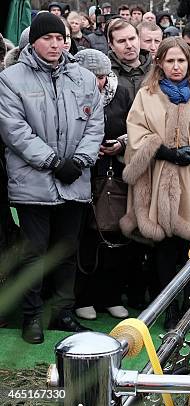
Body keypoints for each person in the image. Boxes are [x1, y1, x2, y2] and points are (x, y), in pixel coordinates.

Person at [0, 13, 104, 343]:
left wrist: (81, 159)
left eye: (60, 38)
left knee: (67, 250)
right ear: (34, 42)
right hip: (33, 181)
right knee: (33, 252)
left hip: (74, 178)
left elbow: (94, 122)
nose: (55, 44)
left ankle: (62, 312)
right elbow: (14, 129)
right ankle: (31, 316)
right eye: (48, 38)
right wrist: (52, 161)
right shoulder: (12, 79)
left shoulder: (84, 78)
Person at [120, 37, 190, 329]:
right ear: (159, 62)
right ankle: (168, 309)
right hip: (160, 179)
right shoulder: (146, 95)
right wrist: (165, 151)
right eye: (169, 60)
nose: (175, 66)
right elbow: (136, 135)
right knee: (166, 250)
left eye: (181, 60)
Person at [73, 49, 132, 321]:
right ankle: (84, 297)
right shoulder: (72, 92)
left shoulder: (123, 93)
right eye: (93, 76)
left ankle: (110, 296)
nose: (99, 82)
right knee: (87, 238)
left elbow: (137, 126)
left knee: (116, 236)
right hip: (83, 172)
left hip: (116, 172)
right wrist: (87, 148)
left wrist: (120, 143)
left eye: (103, 76)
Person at [107, 18, 153, 103]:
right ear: (112, 46)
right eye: (121, 41)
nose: (129, 45)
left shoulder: (156, 71)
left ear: (138, 39)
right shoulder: (107, 76)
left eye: (132, 39)